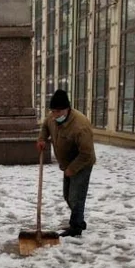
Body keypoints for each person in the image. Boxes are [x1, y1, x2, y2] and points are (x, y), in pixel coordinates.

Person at [36, 89, 97, 237]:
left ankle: (76, 227)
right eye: (53, 111)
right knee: (68, 195)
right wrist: (42, 139)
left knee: (76, 196)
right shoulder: (52, 118)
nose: (55, 115)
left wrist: (72, 168)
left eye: (58, 112)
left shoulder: (80, 126)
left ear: (67, 109)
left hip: (82, 163)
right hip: (67, 163)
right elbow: (45, 126)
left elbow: (86, 154)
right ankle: (78, 219)